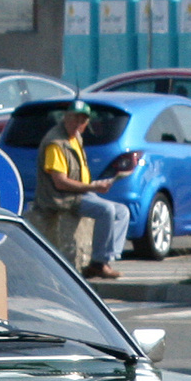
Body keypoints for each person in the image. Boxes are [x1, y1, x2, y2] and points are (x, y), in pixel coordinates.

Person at [33, 100, 131, 280]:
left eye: (82, 120)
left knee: (122, 212)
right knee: (106, 210)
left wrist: (95, 185)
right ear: (65, 118)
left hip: (81, 192)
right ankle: (98, 263)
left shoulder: (76, 136)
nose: (78, 124)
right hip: (62, 197)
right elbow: (60, 183)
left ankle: (107, 259)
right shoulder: (56, 143)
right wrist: (93, 187)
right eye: (74, 119)